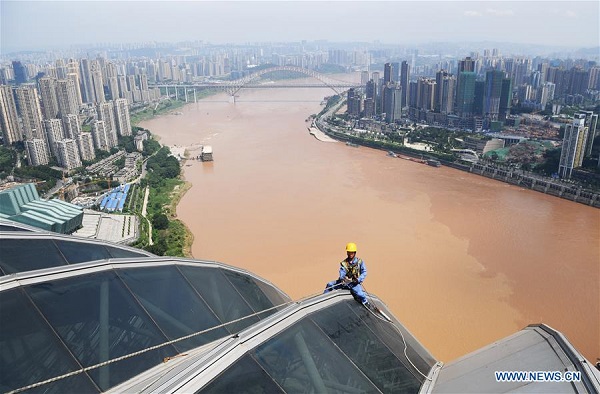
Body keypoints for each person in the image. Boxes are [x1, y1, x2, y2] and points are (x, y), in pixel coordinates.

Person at [324, 242, 370, 308]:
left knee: (361, 294)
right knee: (330, 284)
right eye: (349, 252)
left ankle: (365, 303)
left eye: (352, 252)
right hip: (344, 282)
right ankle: (325, 298)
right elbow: (341, 272)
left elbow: (364, 272)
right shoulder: (344, 263)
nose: (350, 254)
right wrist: (343, 278)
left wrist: (358, 280)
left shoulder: (360, 262)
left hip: (354, 283)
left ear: (355, 252)